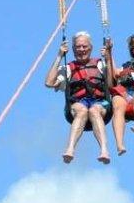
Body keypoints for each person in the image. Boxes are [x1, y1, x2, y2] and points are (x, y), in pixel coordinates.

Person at [45, 31, 114, 164]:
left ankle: (104, 150)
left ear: (91, 48)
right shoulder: (69, 68)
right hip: (77, 105)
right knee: (82, 110)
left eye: (84, 46)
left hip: (101, 103)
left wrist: (109, 57)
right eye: (78, 47)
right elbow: (49, 83)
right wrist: (59, 55)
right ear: (73, 49)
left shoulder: (100, 64)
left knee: (94, 110)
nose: (81, 50)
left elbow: (111, 84)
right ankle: (70, 149)